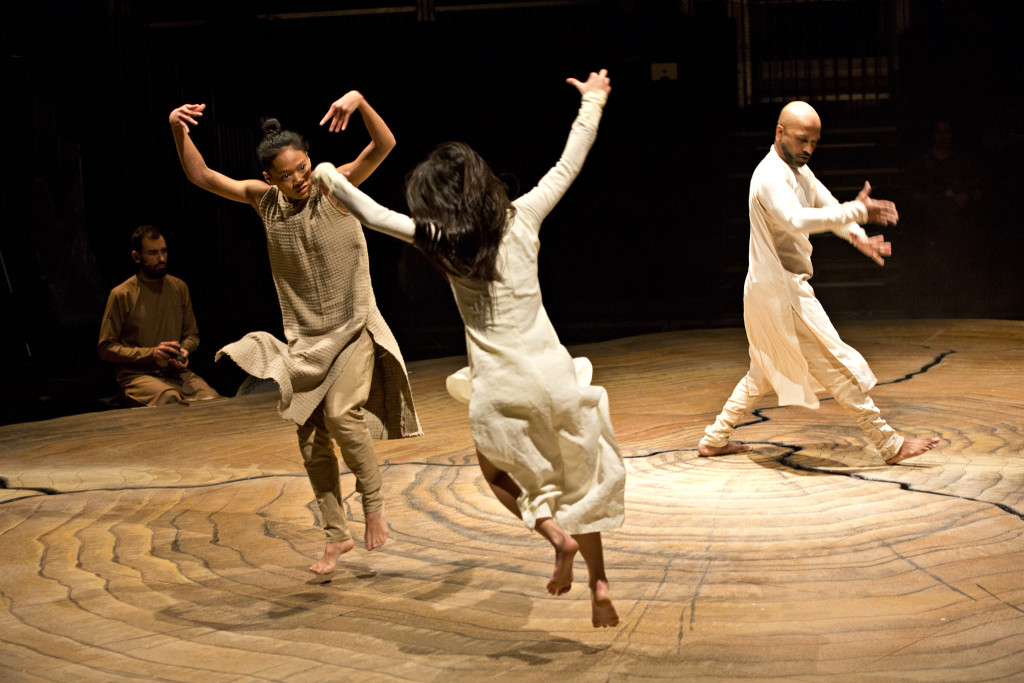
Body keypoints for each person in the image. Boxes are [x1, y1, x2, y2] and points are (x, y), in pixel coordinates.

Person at [311, 70, 624, 628]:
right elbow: (569, 162)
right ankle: (600, 584)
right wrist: (593, 101)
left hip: (500, 386)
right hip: (555, 372)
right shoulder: (524, 215)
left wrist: (327, 172)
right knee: (578, 478)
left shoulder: (440, 239)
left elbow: (371, 213)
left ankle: (554, 536)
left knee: (499, 474)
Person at [168, 91, 421, 575]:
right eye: (287, 175)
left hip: (354, 329)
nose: (300, 179)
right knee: (310, 440)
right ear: (270, 178)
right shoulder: (263, 202)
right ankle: (334, 535)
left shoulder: (334, 186)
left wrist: (361, 101)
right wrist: (178, 129)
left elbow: (383, 145)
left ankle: (374, 504)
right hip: (306, 343)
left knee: (343, 416)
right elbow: (200, 176)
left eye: (303, 167)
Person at [698, 101, 939, 464]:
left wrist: (857, 234)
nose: (808, 148)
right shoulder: (769, 176)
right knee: (836, 365)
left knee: (762, 370)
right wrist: (857, 211)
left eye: (814, 141)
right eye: (801, 140)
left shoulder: (798, 171)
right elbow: (797, 219)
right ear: (779, 133)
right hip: (782, 293)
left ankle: (714, 438)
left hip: (770, 290)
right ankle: (890, 444)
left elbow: (826, 205)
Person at [98, 225, 221, 407]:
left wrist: (183, 351)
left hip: (174, 373)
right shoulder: (121, 294)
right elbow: (106, 348)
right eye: (153, 253)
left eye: (164, 251)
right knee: (169, 398)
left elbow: (192, 335)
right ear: (136, 257)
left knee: (211, 399)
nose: (162, 258)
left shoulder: (179, 288)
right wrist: (152, 353)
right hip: (136, 376)